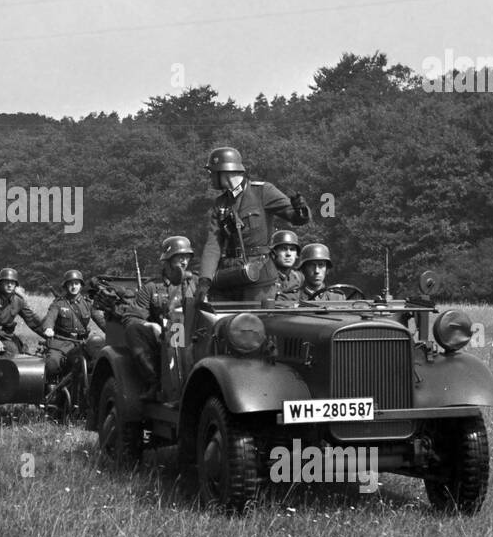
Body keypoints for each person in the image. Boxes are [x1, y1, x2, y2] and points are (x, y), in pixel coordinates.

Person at [199, 146, 310, 299]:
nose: (210, 177)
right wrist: (205, 280)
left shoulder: (263, 192)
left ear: (224, 171)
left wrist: (300, 209)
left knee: (258, 322)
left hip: (259, 278)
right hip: (229, 276)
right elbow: (213, 245)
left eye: (212, 172)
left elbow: (295, 217)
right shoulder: (220, 204)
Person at [122, 235, 199, 399]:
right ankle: (154, 381)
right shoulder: (151, 287)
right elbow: (131, 317)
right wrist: (149, 325)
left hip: (194, 338)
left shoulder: (197, 283)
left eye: (187, 257)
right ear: (168, 260)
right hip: (163, 340)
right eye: (179, 257)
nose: (184, 262)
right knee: (133, 329)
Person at [40, 269, 106, 383]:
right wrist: (48, 328)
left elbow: (101, 321)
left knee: (95, 365)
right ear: (66, 286)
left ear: (81, 285)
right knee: (51, 364)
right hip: (61, 343)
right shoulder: (59, 303)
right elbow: (50, 317)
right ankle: (51, 395)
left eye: (76, 283)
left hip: (81, 344)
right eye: (70, 284)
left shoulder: (88, 303)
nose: (73, 286)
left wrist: (114, 331)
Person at [269, 229, 304, 302]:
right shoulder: (266, 278)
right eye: (283, 249)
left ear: (297, 255)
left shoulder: (299, 278)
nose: (288, 254)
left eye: (292, 249)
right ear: (273, 253)